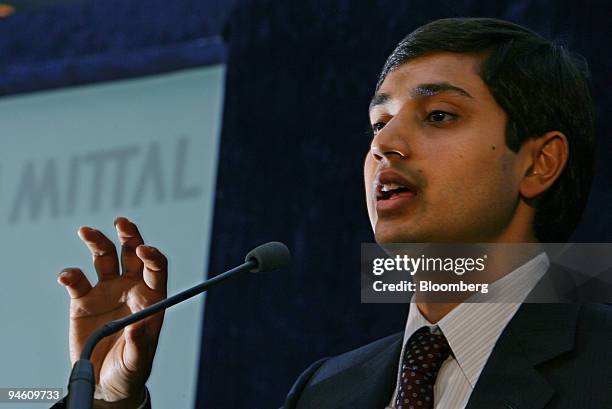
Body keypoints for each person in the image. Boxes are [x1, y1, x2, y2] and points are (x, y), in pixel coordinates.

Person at [53, 17, 611, 409]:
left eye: (439, 115)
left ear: (540, 163)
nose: (385, 144)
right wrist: (108, 399)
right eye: (378, 123)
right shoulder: (326, 390)